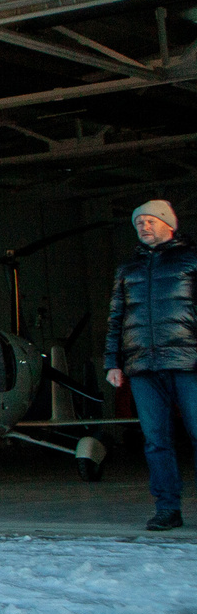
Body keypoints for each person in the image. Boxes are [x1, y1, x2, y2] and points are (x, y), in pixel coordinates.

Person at [103, 198, 195, 531]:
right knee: (156, 440)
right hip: (143, 367)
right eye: (138, 223)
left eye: (149, 221)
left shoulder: (190, 260)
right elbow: (116, 318)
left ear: (168, 223)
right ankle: (167, 509)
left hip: (188, 363)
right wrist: (112, 361)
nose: (143, 227)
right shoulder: (128, 269)